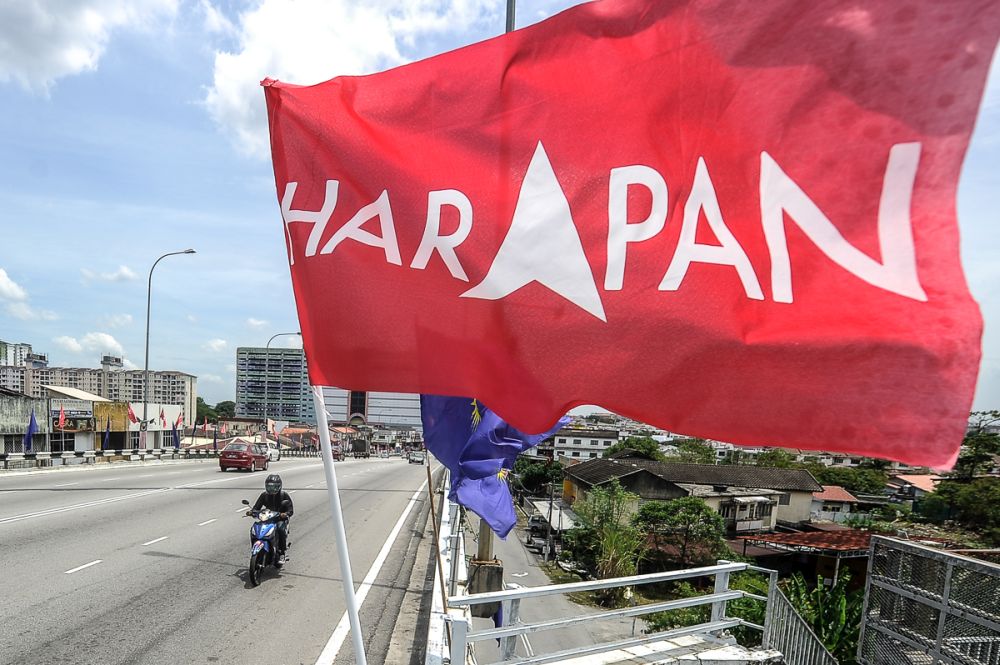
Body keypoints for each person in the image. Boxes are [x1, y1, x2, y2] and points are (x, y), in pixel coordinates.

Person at [249, 474, 293, 564]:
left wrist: (285, 514)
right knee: (254, 529)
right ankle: (255, 545)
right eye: (269, 487)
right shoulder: (264, 495)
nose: (272, 490)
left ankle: (281, 552)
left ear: (279, 486)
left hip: (280, 519)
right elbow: (256, 507)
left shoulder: (284, 495)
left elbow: (290, 510)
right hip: (267, 518)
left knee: (280, 529)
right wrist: (252, 512)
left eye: (274, 487)